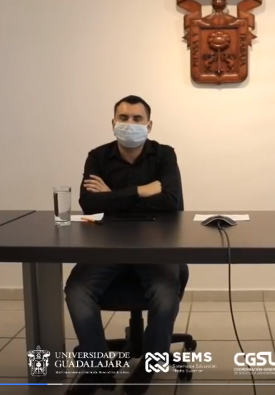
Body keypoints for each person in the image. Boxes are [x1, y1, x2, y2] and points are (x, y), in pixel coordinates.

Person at [64, 95, 184, 395]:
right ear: (113, 122)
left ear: (149, 125)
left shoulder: (164, 155)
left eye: (137, 119)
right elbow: (90, 204)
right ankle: (97, 369)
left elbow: (171, 202)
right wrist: (142, 191)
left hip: (155, 245)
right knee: (77, 290)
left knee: (165, 293)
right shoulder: (98, 156)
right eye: (123, 118)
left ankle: (149, 366)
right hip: (108, 245)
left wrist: (112, 196)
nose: (130, 124)